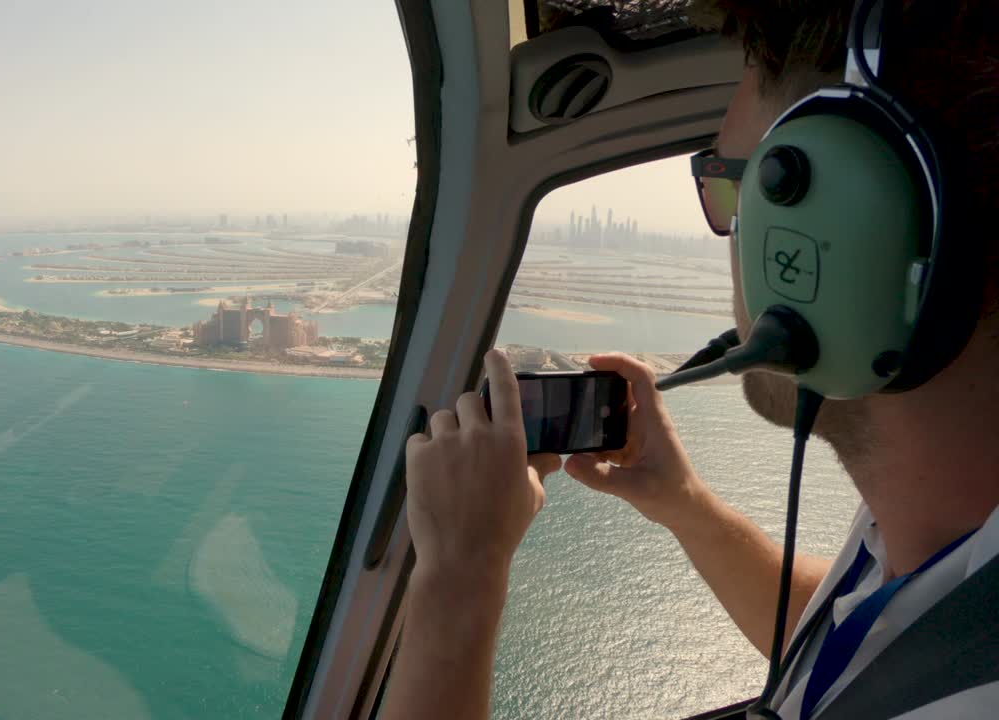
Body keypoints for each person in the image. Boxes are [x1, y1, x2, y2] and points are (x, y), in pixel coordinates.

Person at [383, 1, 999, 718]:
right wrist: (685, 505)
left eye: (740, 190)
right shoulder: (944, 537)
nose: (729, 240)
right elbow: (874, 650)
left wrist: (459, 573)